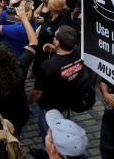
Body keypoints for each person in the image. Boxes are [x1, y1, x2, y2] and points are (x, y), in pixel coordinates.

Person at [29, 25, 83, 154]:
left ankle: (47, 151)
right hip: (67, 98)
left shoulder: (48, 66)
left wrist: (30, 102)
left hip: (49, 105)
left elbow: (37, 91)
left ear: (58, 42)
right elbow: (68, 54)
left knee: (47, 130)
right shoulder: (80, 52)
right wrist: (54, 49)